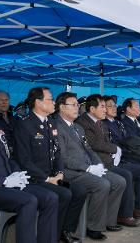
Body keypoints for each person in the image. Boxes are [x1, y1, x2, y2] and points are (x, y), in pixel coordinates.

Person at [0, 81, 58, 243]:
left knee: (49, 197)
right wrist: (3, 180)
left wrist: (15, 173)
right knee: (29, 200)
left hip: (8, 181)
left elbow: (8, 156)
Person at [13, 87, 86, 243]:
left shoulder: (50, 123)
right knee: (63, 194)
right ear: (38, 102)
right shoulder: (24, 125)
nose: (54, 102)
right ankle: (50, 236)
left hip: (52, 177)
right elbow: (23, 160)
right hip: (34, 178)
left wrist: (59, 172)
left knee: (79, 191)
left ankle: (63, 231)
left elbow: (57, 151)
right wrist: (47, 178)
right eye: (50, 99)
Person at [55, 92, 129, 240]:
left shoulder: (77, 127)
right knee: (102, 185)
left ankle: (108, 221)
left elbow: (89, 149)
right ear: (62, 107)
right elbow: (63, 157)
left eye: (77, 105)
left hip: (88, 168)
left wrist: (98, 164)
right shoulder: (57, 127)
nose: (77, 108)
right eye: (73, 105)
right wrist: (87, 168)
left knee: (119, 181)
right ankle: (92, 226)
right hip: (70, 171)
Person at [102, 96, 140, 221]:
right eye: (109, 106)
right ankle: (131, 211)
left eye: (114, 105)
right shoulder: (104, 124)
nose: (114, 108)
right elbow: (115, 143)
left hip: (127, 154)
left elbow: (129, 140)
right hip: (116, 157)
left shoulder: (117, 122)